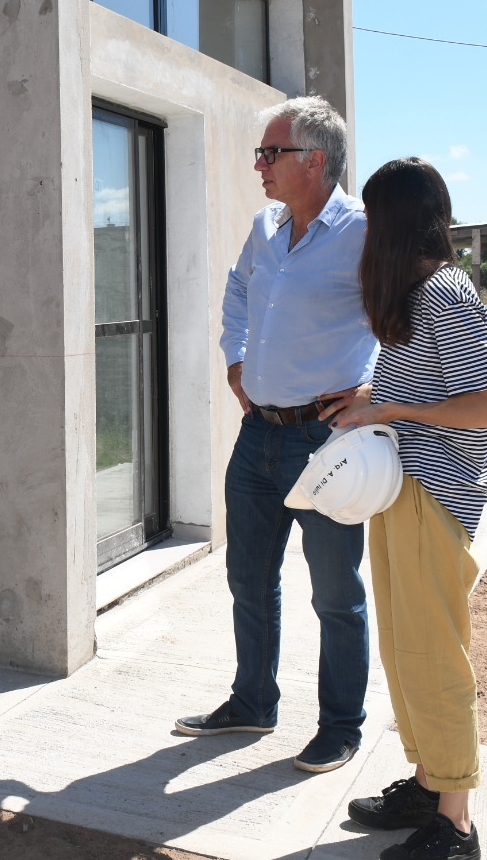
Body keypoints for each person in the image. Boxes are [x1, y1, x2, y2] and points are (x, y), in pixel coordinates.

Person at [174, 96, 379, 775]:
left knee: (335, 596)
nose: (258, 164)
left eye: (271, 152)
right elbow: (238, 291)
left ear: (314, 161)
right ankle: (252, 703)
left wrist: (375, 392)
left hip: (325, 443)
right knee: (249, 581)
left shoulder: (364, 233)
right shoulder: (265, 227)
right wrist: (235, 360)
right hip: (257, 436)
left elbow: (404, 320)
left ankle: (340, 727)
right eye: (261, 152)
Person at [324, 157, 487, 860]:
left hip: (435, 494)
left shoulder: (444, 292)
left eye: (372, 217)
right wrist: (368, 398)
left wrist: (392, 409)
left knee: (433, 657)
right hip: (404, 489)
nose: (364, 232)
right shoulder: (417, 294)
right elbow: (426, 384)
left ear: (395, 222)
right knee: (404, 650)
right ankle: (430, 784)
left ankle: (455, 825)